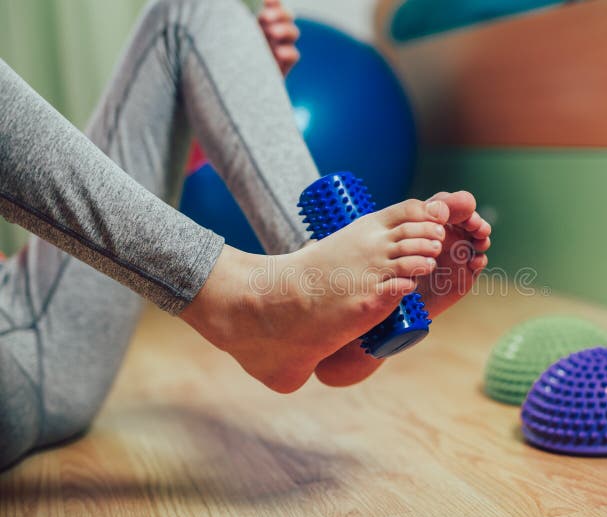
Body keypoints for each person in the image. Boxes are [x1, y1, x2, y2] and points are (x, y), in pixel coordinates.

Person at [0, 0, 491, 470]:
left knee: (195, 12)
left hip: (33, 300)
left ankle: (340, 316)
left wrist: (226, 102)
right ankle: (249, 304)